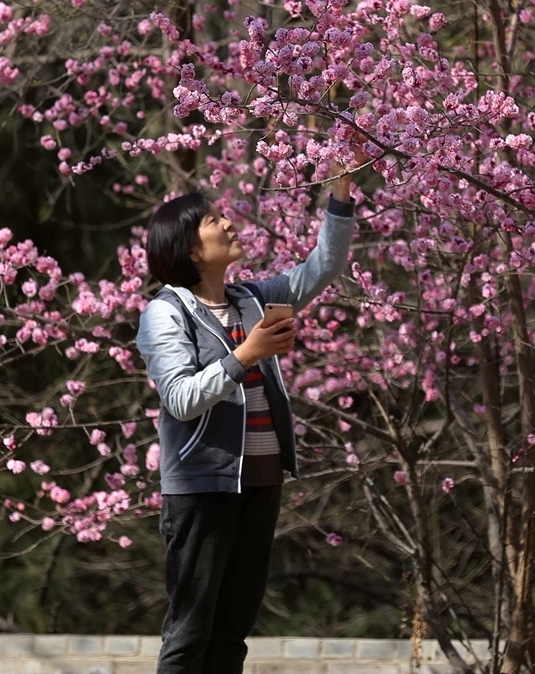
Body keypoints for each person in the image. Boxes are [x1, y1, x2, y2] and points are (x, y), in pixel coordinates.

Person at [136, 151, 361, 674]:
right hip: (202, 485)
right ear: (191, 248)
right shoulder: (165, 312)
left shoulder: (252, 300)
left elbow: (322, 267)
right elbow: (181, 397)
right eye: (214, 221)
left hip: (259, 481)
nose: (228, 222)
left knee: (233, 632)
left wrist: (342, 190)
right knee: (191, 632)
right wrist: (246, 356)